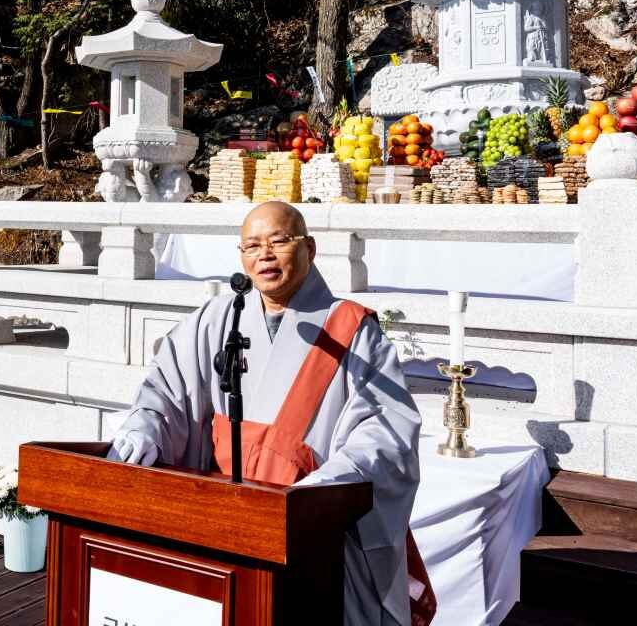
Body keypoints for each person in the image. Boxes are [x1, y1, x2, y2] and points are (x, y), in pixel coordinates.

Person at [109, 201, 432, 626]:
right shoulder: (217, 319)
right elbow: (165, 392)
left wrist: (327, 488)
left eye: (279, 241)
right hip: (221, 515)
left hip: (310, 527)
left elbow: (386, 431)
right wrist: (143, 429)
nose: (264, 255)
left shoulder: (351, 329)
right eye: (252, 245)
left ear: (309, 248)